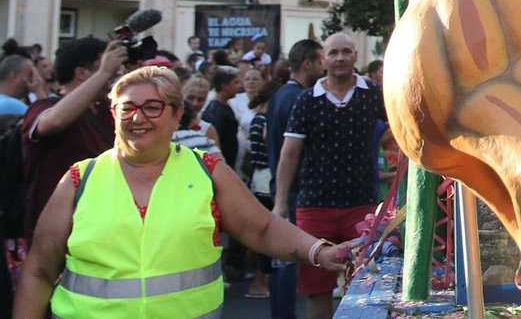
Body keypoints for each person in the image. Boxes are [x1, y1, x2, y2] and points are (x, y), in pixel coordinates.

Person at [14, 66, 355, 319]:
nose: (137, 117)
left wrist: (318, 251)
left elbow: (262, 227)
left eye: (152, 107)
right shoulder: (79, 179)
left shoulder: (206, 172)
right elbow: (39, 271)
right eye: (127, 108)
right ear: (113, 114)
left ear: (177, 115)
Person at [273, 34, 383, 319]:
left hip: (361, 206)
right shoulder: (306, 100)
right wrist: (280, 202)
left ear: (356, 56)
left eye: (347, 51)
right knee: (316, 288)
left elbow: (402, 128)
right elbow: (289, 154)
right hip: (314, 206)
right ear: (324, 60)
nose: (341, 58)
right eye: (334, 53)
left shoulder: (373, 93)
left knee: (366, 285)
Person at [19, 38, 125, 242]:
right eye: (104, 67)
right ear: (81, 73)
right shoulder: (43, 107)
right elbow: (54, 122)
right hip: (55, 228)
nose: (112, 74)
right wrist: (103, 73)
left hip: (103, 224)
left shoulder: (107, 109)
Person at [265, 38, 322, 319]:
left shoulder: (278, 95)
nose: (324, 68)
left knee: (283, 259)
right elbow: (292, 151)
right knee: (292, 257)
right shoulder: (300, 98)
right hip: (296, 190)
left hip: (283, 186)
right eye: (321, 61)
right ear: (308, 63)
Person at [240, 79, 279, 298]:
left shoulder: (256, 119)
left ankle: (261, 280)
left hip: (258, 177)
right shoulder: (265, 121)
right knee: (267, 232)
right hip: (266, 179)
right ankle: (259, 281)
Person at [200, 65, 240, 168]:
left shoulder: (226, 106)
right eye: (235, 83)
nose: (239, 86)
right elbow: (213, 140)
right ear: (224, 86)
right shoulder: (216, 111)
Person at [174, 75, 222, 156]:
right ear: (182, 96)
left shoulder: (208, 129)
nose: (194, 103)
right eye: (190, 98)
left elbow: (217, 160)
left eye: (200, 100)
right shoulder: (169, 123)